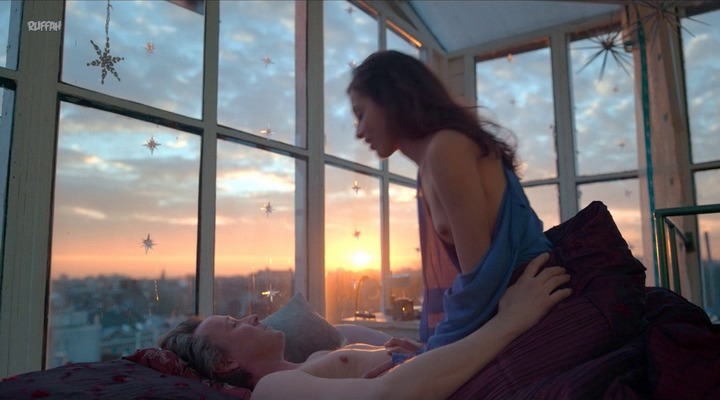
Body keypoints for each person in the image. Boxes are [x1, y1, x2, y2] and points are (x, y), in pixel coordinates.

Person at [347, 50, 552, 350]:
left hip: (539, 309)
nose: (358, 131)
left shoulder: (447, 148)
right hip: (519, 310)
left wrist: (433, 351)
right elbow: (479, 284)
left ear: (390, 98)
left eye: (361, 113)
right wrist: (431, 348)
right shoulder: (429, 165)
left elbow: (482, 283)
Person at [160, 253, 571, 399]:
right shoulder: (272, 389)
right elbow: (387, 396)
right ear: (225, 364)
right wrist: (510, 321)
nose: (252, 316)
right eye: (234, 324)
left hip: (471, 366)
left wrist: (414, 354)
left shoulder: (322, 353)